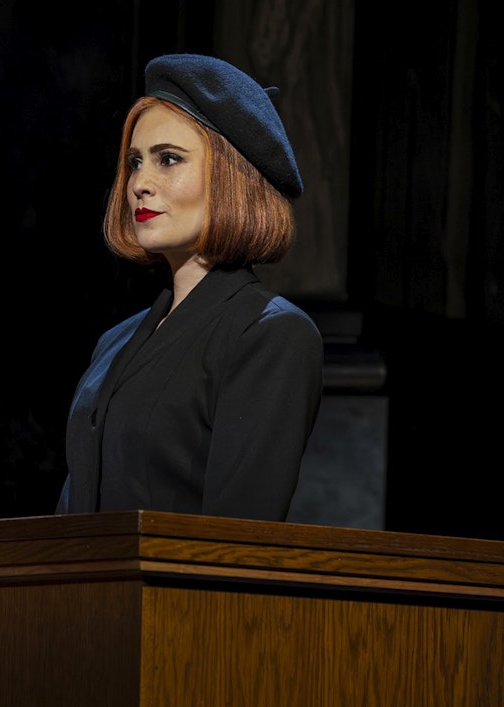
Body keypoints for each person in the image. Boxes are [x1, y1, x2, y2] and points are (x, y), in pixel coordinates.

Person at [56, 53, 324, 520]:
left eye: (169, 159)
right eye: (136, 161)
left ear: (230, 179)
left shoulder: (268, 334)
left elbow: (238, 535)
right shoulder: (114, 342)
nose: (140, 182)